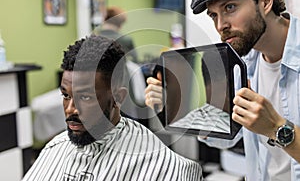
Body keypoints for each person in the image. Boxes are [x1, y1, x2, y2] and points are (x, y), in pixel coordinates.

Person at [145, 0, 300, 180]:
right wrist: (174, 109)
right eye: (214, 15)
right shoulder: (242, 63)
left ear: (266, 1)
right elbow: (231, 134)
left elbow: (269, 128)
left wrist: (276, 129)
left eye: (230, 7)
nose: (221, 26)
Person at [22, 35, 203, 181]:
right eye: (66, 95)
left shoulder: (168, 169)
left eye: (85, 97)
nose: (70, 109)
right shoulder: (54, 149)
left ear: (118, 97)